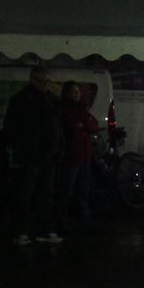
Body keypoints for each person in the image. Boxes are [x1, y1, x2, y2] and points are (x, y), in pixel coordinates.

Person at [4, 67, 63, 245]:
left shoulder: (52, 100)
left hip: (47, 156)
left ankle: (43, 230)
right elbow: (11, 127)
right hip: (29, 156)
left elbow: (58, 127)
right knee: (25, 194)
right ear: (32, 80)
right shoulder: (21, 100)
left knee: (45, 194)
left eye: (46, 81)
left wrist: (58, 149)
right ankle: (21, 231)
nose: (44, 84)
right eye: (40, 81)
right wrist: (24, 147)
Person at [54, 81, 101, 233]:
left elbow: (93, 125)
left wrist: (83, 126)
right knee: (66, 191)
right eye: (74, 91)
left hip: (84, 156)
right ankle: (62, 222)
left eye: (78, 91)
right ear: (67, 93)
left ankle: (83, 221)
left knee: (82, 191)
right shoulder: (64, 109)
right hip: (71, 156)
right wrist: (83, 127)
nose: (77, 94)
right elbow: (73, 130)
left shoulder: (81, 109)